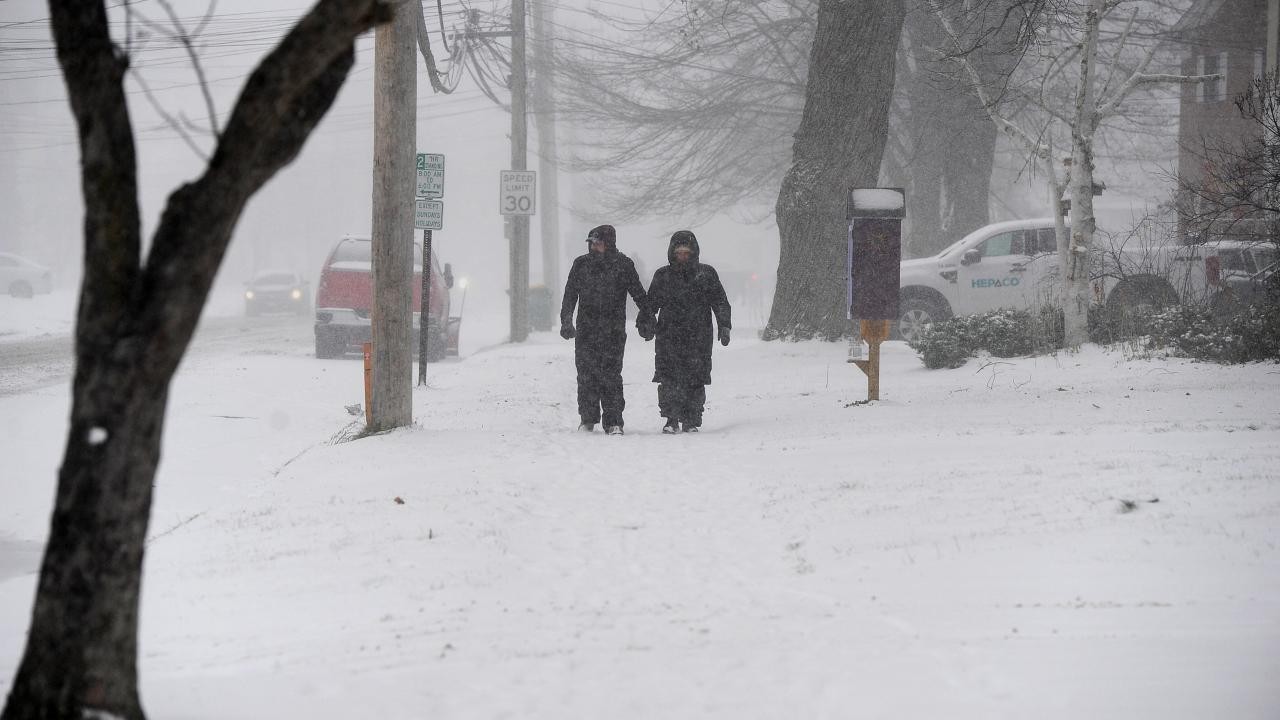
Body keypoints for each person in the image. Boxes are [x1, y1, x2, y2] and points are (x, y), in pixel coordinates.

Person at [560, 224, 653, 435]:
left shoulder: (623, 265)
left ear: (609, 243)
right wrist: (566, 320)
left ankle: (613, 421)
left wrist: (647, 317)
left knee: (611, 376)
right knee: (586, 375)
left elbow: (638, 294)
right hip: (586, 330)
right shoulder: (581, 265)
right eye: (592, 243)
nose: (594, 247)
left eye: (599, 243)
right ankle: (588, 418)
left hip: (613, 331)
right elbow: (570, 295)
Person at [642, 230, 731, 434]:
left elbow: (720, 301)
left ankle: (691, 419)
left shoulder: (706, 274)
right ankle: (671, 418)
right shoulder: (663, 275)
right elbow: (650, 304)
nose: (682, 256)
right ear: (672, 253)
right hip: (668, 335)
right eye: (679, 252)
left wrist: (724, 325)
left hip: (698, 336)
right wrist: (646, 323)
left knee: (696, 377)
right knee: (669, 378)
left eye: (686, 252)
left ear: (693, 253)